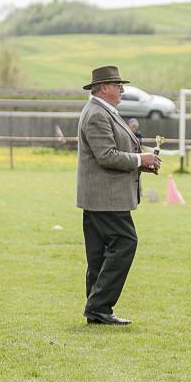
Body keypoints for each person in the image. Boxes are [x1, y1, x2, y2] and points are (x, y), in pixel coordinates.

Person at [76, 65, 160, 325]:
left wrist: (141, 161)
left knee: (99, 254)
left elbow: (115, 149)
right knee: (126, 242)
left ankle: (97, 309)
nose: (122, 89)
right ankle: (99, 306)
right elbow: (107, 156)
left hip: (101, 197)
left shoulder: (103, 112)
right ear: (103, 88)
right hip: (106, 198)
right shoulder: (97, 115)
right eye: (117, 85)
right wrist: (139, 158)